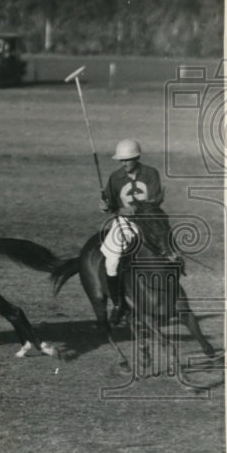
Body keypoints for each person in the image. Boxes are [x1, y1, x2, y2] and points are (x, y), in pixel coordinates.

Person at [99, 138, 165, 323]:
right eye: (121, 160)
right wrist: (104, 206)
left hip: (148, 220)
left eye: (127, 160)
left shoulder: (151, 174)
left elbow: (154, 200)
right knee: (111, 261)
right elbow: (110, 204)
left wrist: (135, 209)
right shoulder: (115, 177)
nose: (124, 163)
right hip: (124, 223)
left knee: (167, 248)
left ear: (137, 157)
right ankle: (119, 304)